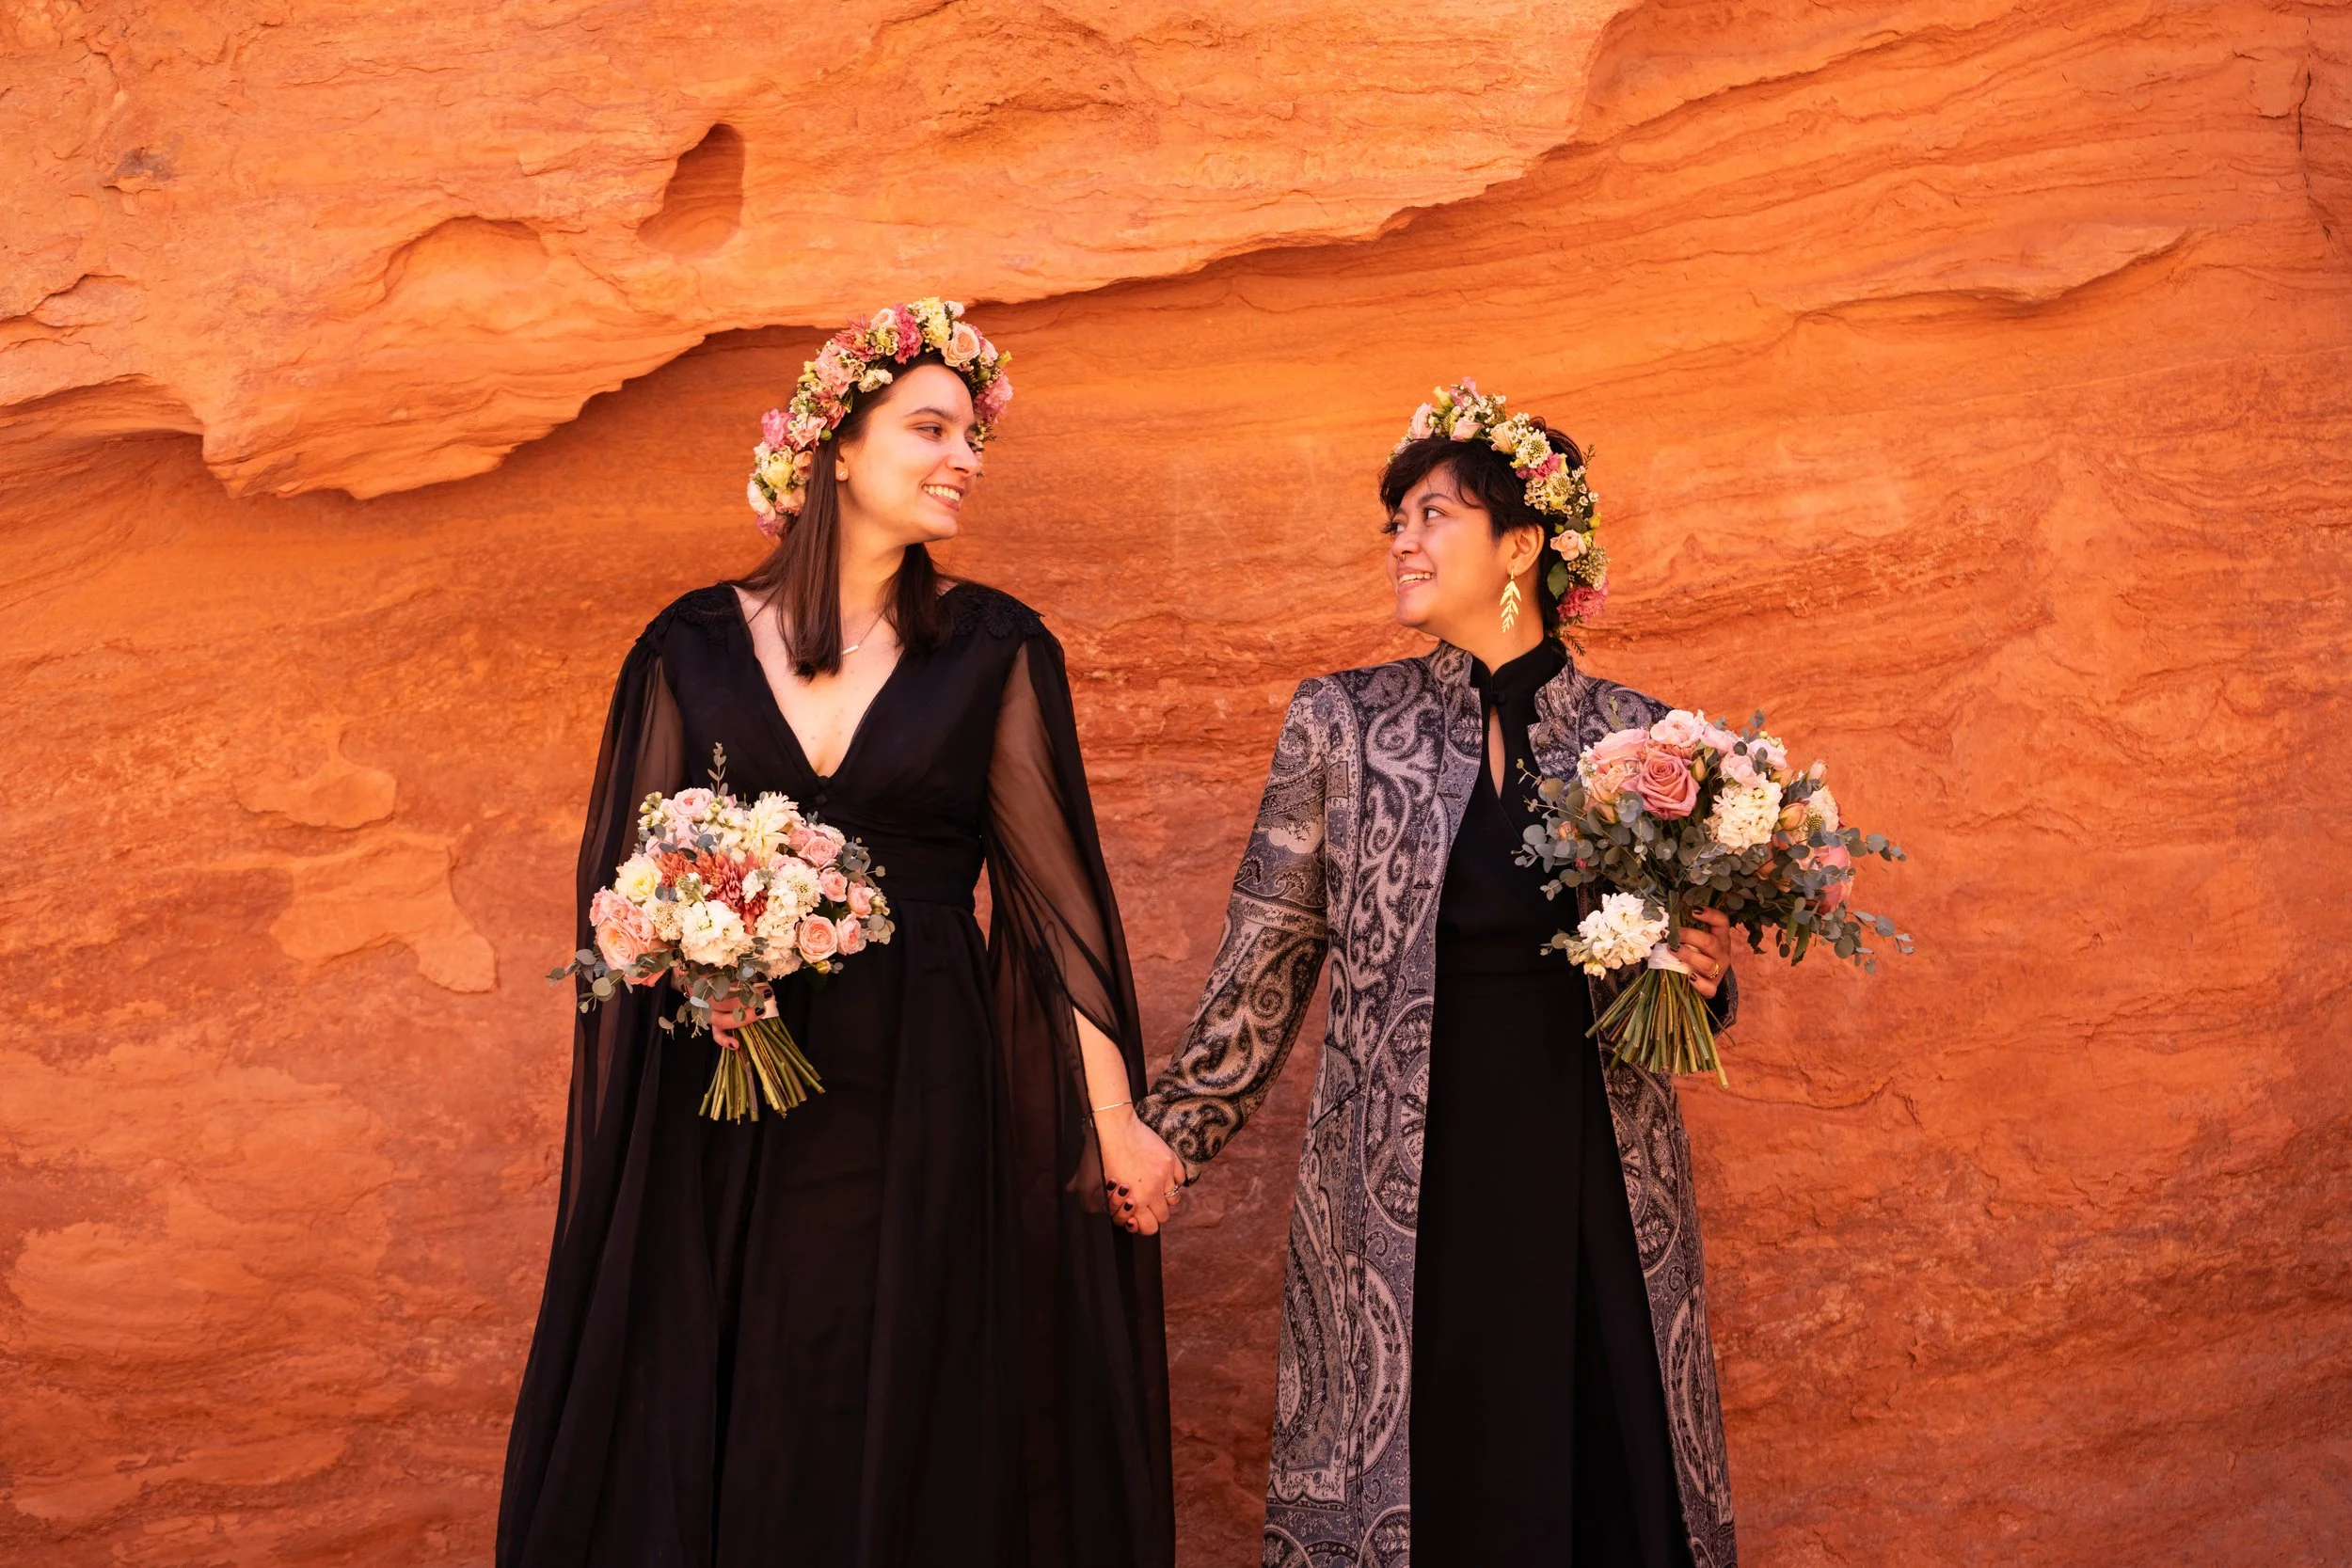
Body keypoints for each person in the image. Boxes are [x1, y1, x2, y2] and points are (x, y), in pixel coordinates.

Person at [498, 300, 1185, 1568]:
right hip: (721, 1095)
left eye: (972, 437)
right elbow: (625, 892)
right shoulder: (686, 646)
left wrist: (1113, 1118)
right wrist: (692, 961)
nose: (963, 458)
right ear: (836, 448)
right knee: (735, 1376)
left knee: (898, 1382)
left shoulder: (995, 647)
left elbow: (1054, 903)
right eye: (931, 429)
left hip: (919, 1085)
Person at [1139, 382, 1743, 1566]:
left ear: (1519, 546)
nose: (1401, 544)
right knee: (1425, 1464)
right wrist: (1171, 1135)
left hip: (1591, 1162)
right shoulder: (1340, 721)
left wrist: (1705, 974)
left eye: (1432, 516)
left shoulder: (1641, 737)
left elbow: (1676, 982)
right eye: (1395, 522)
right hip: (1400, 1180)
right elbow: (1267, 953)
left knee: (1598, 1465)